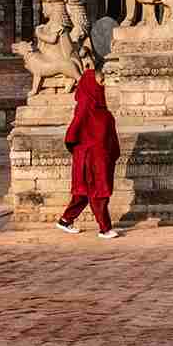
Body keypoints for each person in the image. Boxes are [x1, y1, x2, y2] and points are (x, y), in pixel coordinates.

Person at [55, 56, 121, 239]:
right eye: (101, 81)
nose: (103, 85)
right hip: (90, 156)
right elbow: (74, 129)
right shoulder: (86, 105)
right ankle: (105, 228)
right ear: (92, 84)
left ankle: (65, 221)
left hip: (98, 155)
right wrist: (78, 148)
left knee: (83, 193)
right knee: (98, 192)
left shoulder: (100, 107)